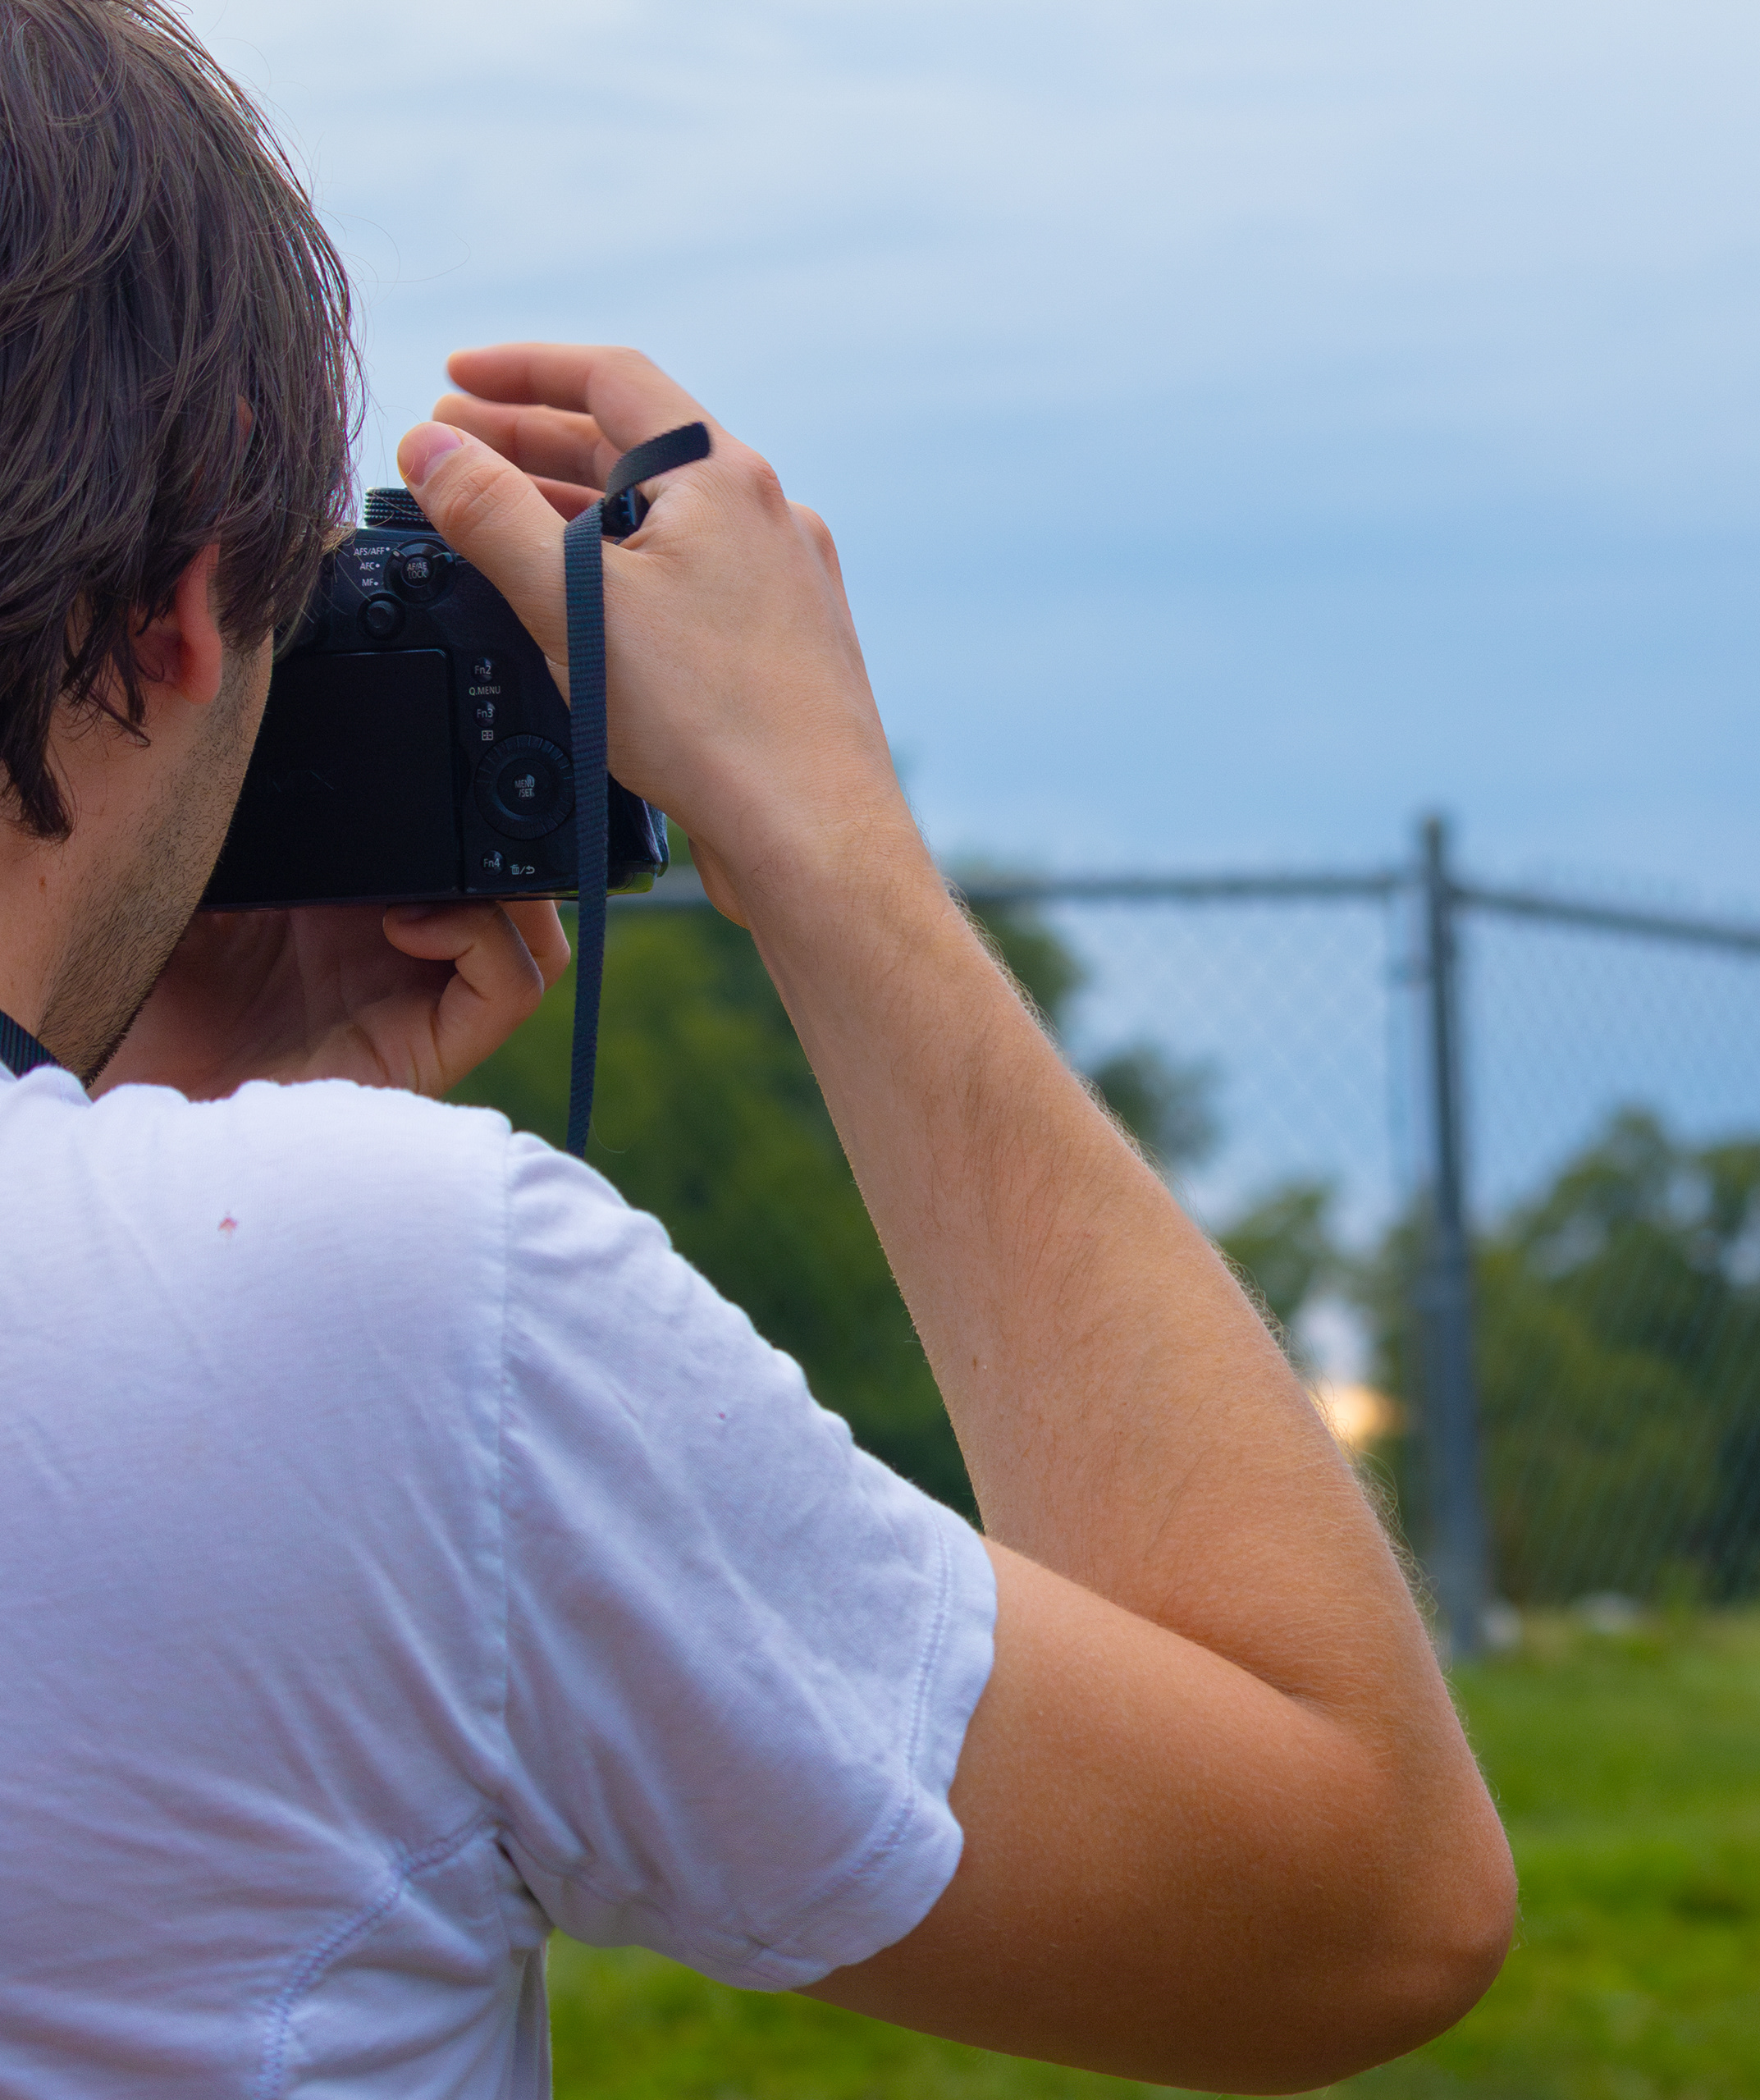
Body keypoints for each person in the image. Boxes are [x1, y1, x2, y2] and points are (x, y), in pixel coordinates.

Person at [0, 3, 1515, 2093]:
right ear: (180, 616)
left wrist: (153, 1130)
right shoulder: (380, 1316)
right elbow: (1361, 1898)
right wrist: (820, 831)